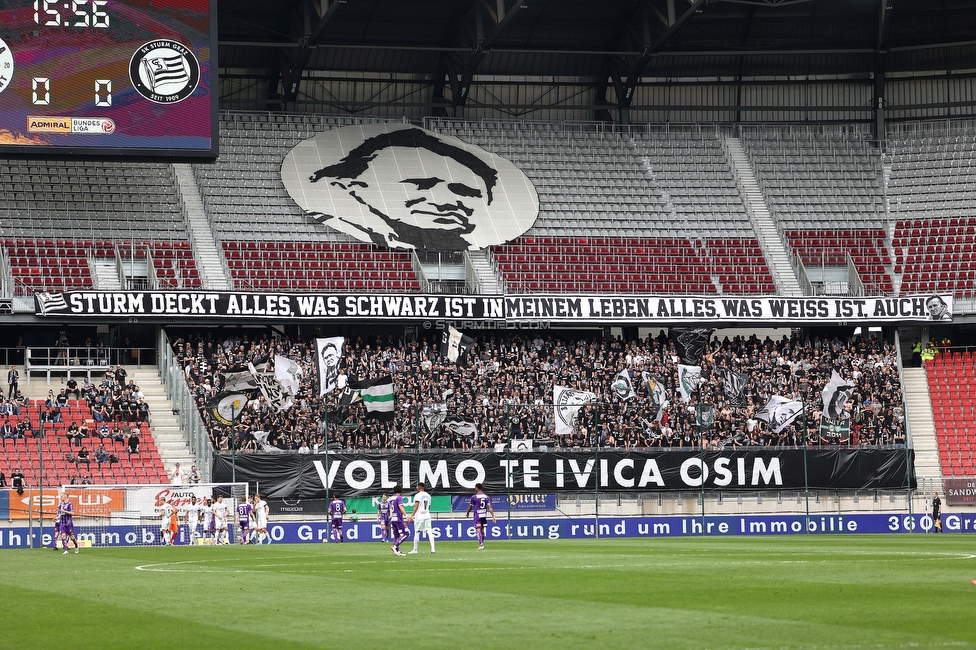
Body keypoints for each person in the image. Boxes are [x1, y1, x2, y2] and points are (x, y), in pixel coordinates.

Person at [305, 127, 499, 251]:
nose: (445, 200)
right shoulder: (343, 225)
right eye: (422, 184)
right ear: (355, 187)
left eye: (465, 191)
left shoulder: (473, 243)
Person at [465, 483, 496, 550]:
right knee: (482, 529)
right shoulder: (486, 497)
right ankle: (482, 544)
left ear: (477, 488)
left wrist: (467, 513)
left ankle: (481, 545)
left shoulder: (474, 497)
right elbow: (489, 507)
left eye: (475, 487)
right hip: (484, 514)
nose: (474, 489)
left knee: (478, 529)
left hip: (477, 515)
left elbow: (470, 507)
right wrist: (493, 516)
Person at [407, 482, 435, 554]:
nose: (416, 488)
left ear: (419, 487)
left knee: (417, 532)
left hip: (420, 516)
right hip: (427, 515)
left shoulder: (417, 495)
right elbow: (429, 506)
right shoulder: (428, 496)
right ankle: (433, 549)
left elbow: (416, 506)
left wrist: (412, 516)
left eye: (417, 487)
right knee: (429, 531)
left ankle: (415, 550)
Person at [388, 484, 409, 556]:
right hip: (398, 518)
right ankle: (395, 546)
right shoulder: (399, 497)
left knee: (396, 535)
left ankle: (397, 551)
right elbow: (401, 507)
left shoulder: (391, 498)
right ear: (401, 491)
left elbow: (390, 508)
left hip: (393, 519)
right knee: (406, 533)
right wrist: (406, 515)